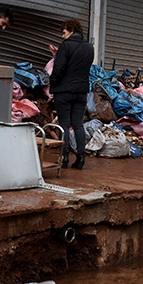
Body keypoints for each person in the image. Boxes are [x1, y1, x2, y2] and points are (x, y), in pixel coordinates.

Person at [50, 18, 94, 170]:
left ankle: (64, 158)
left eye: (64, 32)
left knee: (64, 124)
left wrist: (52, 82)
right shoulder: (89, 47)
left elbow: (58, 69)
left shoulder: (66, 46)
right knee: (78, 125)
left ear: (71, 30)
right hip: (81, 92)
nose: (62, 36)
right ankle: (81, 158)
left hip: (64, 91)